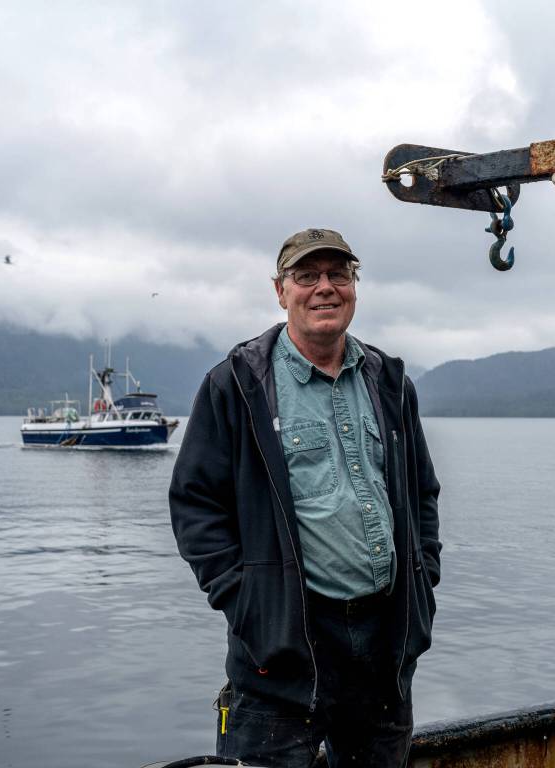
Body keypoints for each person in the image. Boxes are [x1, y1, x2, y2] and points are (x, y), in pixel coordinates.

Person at [169, 227, 441, 767]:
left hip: (381, 653)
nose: (325, 288)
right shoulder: (238, 384)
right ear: (280, 290)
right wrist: (250, 606)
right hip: (279, 657)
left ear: (355, 287)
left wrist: (421, 576)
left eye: (339, 274)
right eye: (306, 276)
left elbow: (422, 493)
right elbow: (195, 503)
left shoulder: (389, 381)